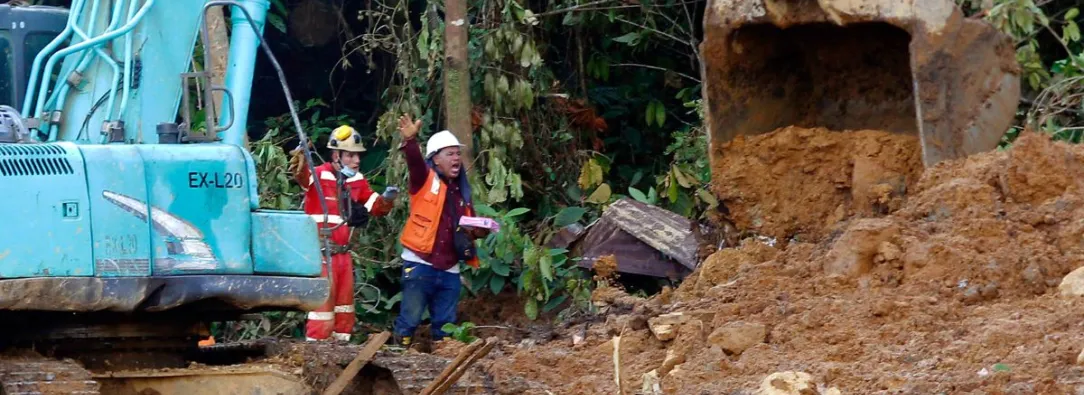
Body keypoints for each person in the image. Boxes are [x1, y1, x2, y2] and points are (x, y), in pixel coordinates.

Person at [292, 125, 398, 342]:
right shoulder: (318, 175)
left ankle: (342, 350)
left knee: (345, 308)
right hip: (320, 256)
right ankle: (317, 354)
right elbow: (301, 176)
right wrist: (301, 156)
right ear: (335, 155)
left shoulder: (357, 181)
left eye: (357, 156)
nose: (356, 161)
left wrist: (387, 199)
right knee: (322, 309)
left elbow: (375, 207)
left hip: (343, 255)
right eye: (350, 156)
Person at [392, 113, 490, 347]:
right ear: (435, 160)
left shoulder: (462, 193)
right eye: (450, 154)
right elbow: (414, 162)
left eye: (458, 153)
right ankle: (397, 361)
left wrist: (480, 231)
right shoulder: (423, 180)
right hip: (420, 263)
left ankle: (442, 368)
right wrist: (410, 142)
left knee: (445, 324)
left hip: (449, 268)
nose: (456, 158)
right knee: (409, 320)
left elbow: (468, 226)